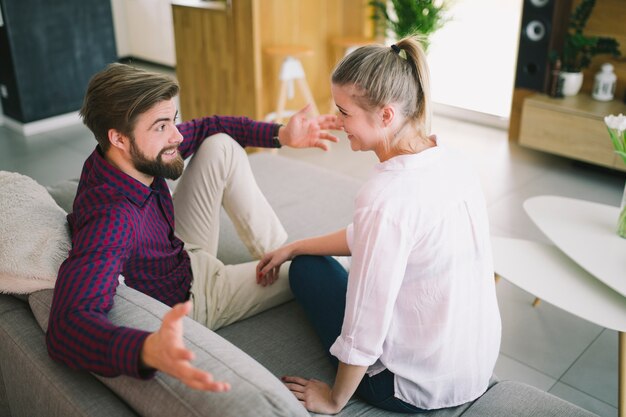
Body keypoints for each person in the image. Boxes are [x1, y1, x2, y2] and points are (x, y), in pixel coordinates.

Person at [46, 62, 340, 392]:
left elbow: (207, 127)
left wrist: (281, 134)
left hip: (177, 249)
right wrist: (145, 349)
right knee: (317, 264)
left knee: (220, 144)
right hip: (194, 295)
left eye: (173, 119)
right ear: (119, 138)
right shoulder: (112, 219)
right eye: (161, 127)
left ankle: (277, 252)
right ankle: (292, 261)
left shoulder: (123, 155)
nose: (177, 135)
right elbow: (67, 328)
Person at [256, 36, 502, 414]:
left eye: (344, 112)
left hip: (409, 388)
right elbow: (379, 238)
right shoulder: (452, 159)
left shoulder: (385, 194)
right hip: (474, 370)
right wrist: (294, 245)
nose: (338, 122)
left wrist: (335, 399)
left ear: (386, 115)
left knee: (306, 271)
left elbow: (365, 319)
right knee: (304, 255)